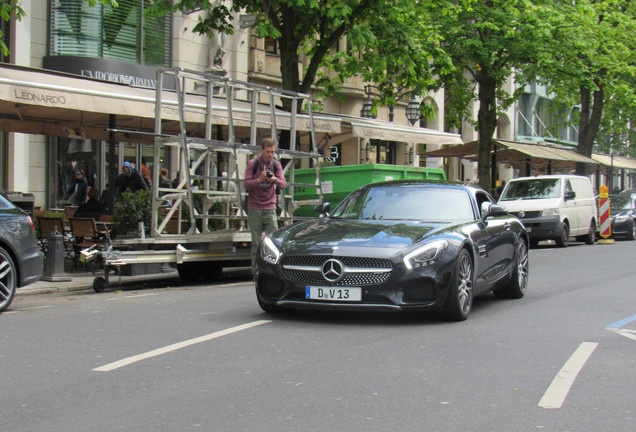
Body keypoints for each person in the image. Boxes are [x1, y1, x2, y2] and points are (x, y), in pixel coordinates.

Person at [244, 138, 287, 279]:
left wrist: (274, 179)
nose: (270, 155)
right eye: (268, 152)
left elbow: (283, 184)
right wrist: (259, 180)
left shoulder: (276, 165)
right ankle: (255, 271)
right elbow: (246, 184)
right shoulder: (253, 164)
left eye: (272, 152)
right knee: (256, 242)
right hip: (255, 207)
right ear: (262, 150)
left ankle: (273, 272)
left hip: (270, 207)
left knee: (273, 241)